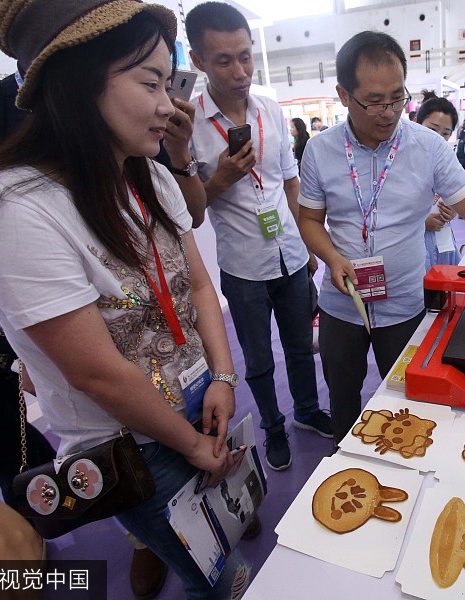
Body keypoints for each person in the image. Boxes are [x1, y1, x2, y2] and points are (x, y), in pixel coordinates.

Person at [0, 3, 251, 598]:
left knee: (232, 525)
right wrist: (192, 445)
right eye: (150, 83)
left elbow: (197, 286)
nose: (169, 105)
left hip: (200, 396)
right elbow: (97, 373)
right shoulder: (10, 207)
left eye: (168, 84)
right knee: (216, 576)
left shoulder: (151, 174)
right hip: (133, 441)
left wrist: (221, 375)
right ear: (77, 82)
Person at [297, 31, 465, 444]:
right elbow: (309, 219)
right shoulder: (320, 150)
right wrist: (331, 257)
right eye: (374, 101)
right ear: (344, 95)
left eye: (397, 98)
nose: (388, 112)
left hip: (404, 302)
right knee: (343, 400)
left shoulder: (428, 146)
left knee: (410, 402)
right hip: (342, 305)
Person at [186, 2, 332, 471]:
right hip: (242, 265)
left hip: (290, 254)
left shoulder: (268, 108)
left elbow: (289, 182)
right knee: (259, 360)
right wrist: (221, 179)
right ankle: (273, 429)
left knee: (300, 345)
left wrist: (307, 242)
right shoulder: (187, 125)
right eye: (224, 60)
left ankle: (307, 411)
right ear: (198, 61)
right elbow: (189, 213)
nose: (240, 71)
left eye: (245, 56)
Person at [416, 90, 460, 270]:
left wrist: (453, 210)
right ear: (417, 124)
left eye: (445, 133)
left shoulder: (449, 161)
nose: (438, 138)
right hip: (414, 245)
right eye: (432, 130)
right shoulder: (400, 160)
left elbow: (462, 198)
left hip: (443, 241)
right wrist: (421, 224)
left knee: (446, 281)